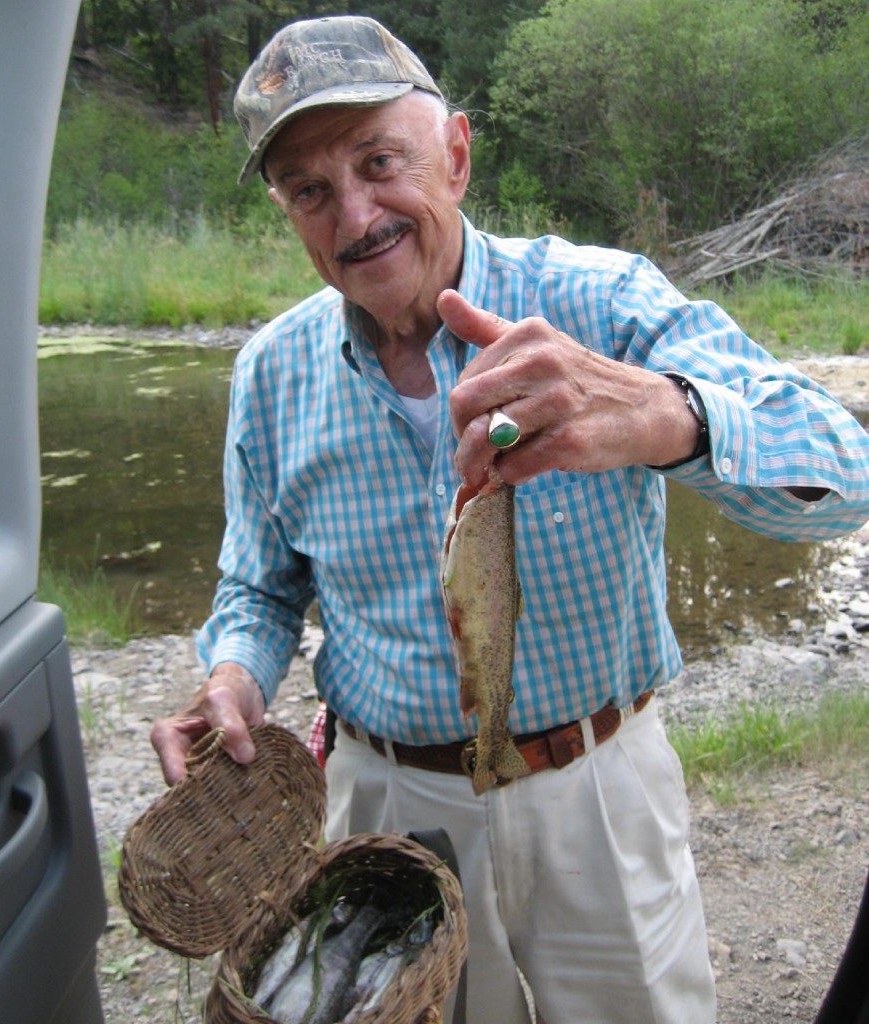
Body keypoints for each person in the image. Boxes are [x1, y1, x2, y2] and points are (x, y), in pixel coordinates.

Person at [151, 15, 869, 1024]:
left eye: (377, 161)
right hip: (388, 807)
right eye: (310, 190)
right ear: (285, 211)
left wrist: (665, 415)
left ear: (454, 153)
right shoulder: (271, 371)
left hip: (595, 790)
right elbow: (258, 584)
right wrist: (233, 674)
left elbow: (846, 472)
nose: (355, 215)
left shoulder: (600, 298)